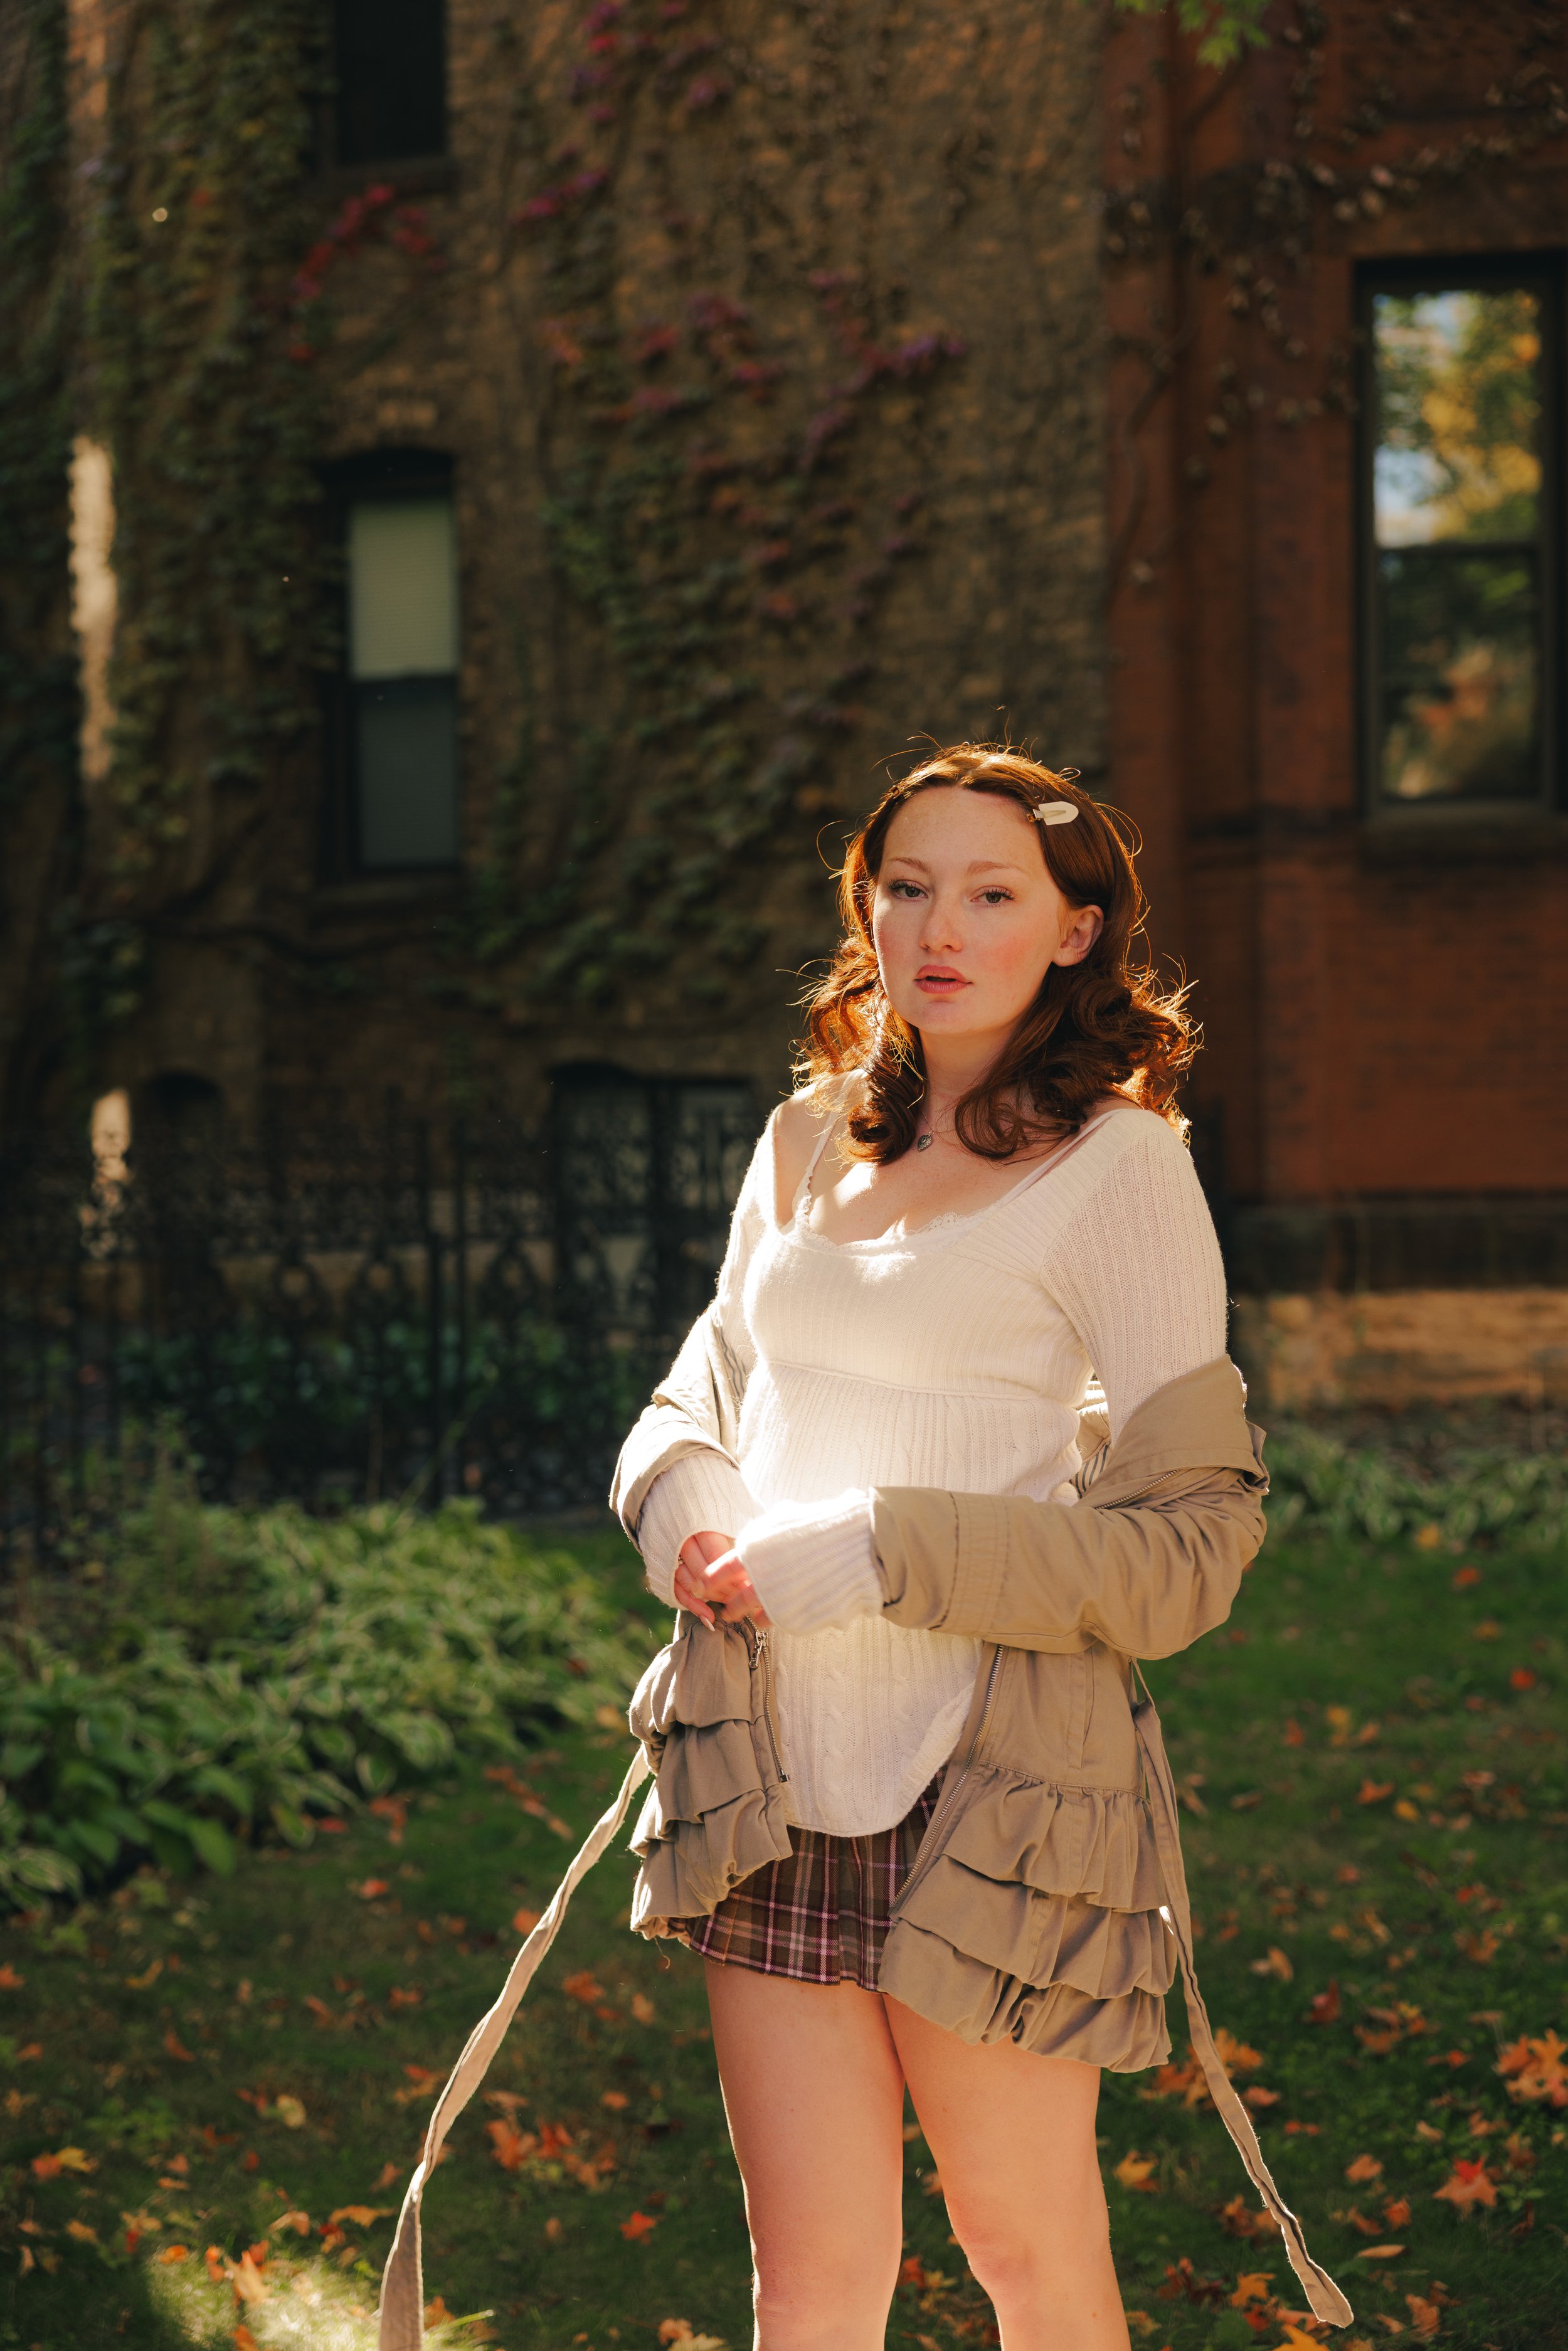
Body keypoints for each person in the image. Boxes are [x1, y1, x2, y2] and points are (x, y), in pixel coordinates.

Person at [610, 744, 1349, 2351]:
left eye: (994, 892)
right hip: (768, 1777)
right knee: (807, 2287)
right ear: (865, 909)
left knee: (1026, 2259)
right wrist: (675, 1492)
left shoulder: (1120, 1169)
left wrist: (880, 1548)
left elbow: (1190, 1547)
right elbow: (701, 1383)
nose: (938, 925)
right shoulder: (805, 1142)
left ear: (1073, 932)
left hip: (992, 1793)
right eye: (907, 884)